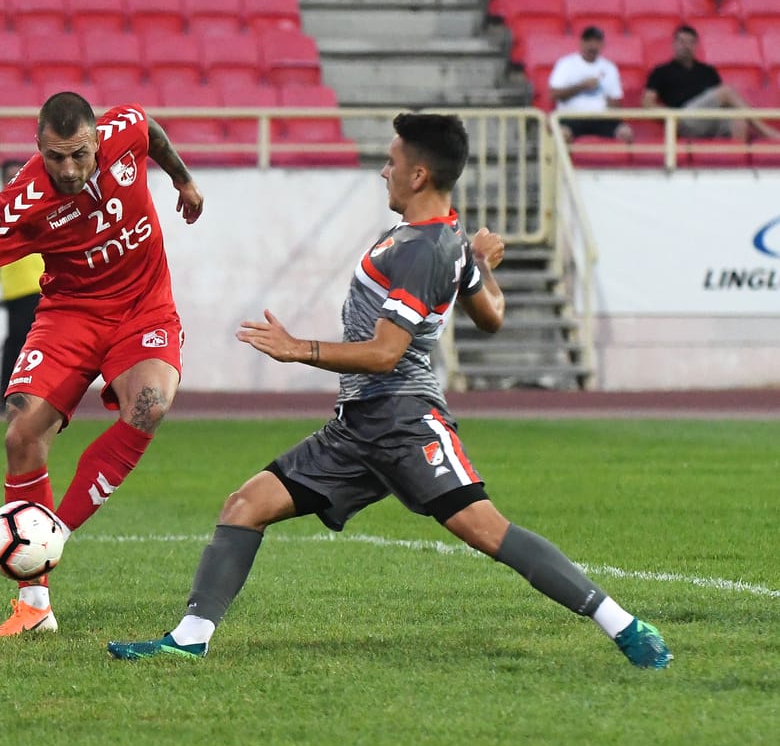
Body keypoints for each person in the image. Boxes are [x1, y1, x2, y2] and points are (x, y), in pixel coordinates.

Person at [107, 112, 673, 670]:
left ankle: (624, 625)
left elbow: (385, 353)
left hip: (404, 422)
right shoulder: (438, 238)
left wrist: (298, 348)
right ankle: (191, 638)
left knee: (486, 530)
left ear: (419, 175)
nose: (384, 172)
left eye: (392, 161)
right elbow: (491, 315)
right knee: (245, 505)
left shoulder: (426, 250)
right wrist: (481, 263)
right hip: (359, 424)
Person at [0, 91, 205, 637]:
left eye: (79, 155)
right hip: (71, 314)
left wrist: (182, 181)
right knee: (21, 433)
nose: (69, 169)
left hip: (144, 307)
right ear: (38, 148)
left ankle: (52, 532)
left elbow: (152, 130)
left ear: (97, 141)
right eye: (55, 157)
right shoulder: (21, 202)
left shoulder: (124, 130)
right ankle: (34, 607)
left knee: (150, 404)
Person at [643, 24, 780, 141]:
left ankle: (737, 160)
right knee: (726, 91)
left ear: (696, 45)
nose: (686, 46)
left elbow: (722, 103)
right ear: (674, 44)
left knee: (739, 120)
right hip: (684, 119)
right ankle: (766, 132)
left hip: (710, 118)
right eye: (682, 42)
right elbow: (647, 102)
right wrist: (672, 116)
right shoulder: (661, 71)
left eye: (690, 42)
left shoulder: (707, 71)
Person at [0, 158, 44, 414]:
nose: (15, 181)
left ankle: (17, 394)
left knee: (24, 342)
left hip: (38, 282)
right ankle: (11, 394)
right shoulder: (8, 207)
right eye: (10, 177)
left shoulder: (26, 203)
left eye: (18, 175)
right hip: (21, 285)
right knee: (20, 343)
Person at [549, 26, 632, 144]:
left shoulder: (609, 67)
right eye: (588, 41)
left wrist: (610, 102)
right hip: (571, 117)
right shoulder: (566, 64)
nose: (592, 46)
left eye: (597, 42)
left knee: (626, 133)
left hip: (601, 117)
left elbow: (616, 103)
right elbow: (554, 94)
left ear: (602, 45)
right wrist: (582, 86)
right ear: (581, 43)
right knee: (561, 134)